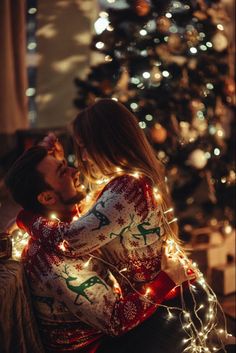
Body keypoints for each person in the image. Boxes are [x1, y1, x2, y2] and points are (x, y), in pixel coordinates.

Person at [11, 99, 229, 352]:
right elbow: (87, 220)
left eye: (82, 148)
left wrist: (25, 218)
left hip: (174, 304)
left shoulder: (126, 189)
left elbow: (71, 238)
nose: (78, 162)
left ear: (102, 145)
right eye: (65, 166)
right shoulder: (118, 186)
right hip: (163, 303)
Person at [5, 145, 194, 353]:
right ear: (47, 198)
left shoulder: (72, 221)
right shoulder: (54, 263)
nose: (75, 171)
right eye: (62, 172)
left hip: (110, 335)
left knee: (183, 309)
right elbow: (116, 320)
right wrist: (168, 278)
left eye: (65, 165)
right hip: (100, 347)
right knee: (182, 321)